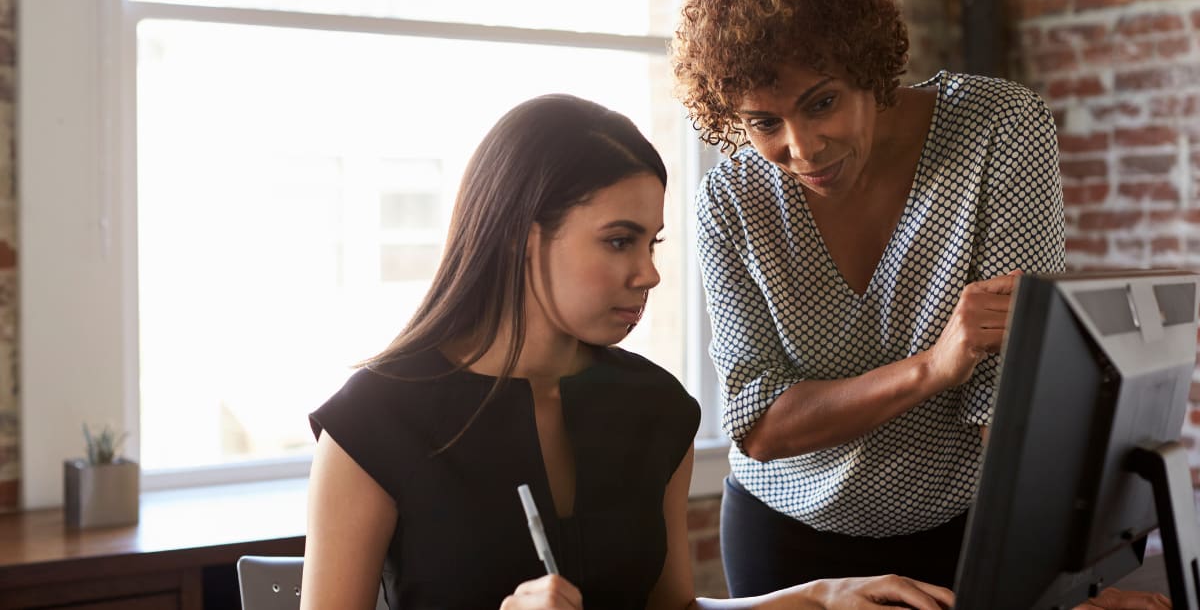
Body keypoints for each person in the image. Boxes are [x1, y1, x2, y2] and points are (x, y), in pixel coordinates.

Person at [300, 93, 957, 609]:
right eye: (619, 240)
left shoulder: (657, 408)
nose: (648, 273)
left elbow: (672, 607)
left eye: (653, 243)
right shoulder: (372, 424)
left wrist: (819, 595)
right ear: (520, 239)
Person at [669, 0, 1073, 596]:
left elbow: (1007, 400)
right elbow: (760, 424)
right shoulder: (730, 198)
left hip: (962, 528)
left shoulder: (998, 129)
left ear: (869, 63)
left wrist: (1059, 579)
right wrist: (933, 367)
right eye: (764, 122)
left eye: (822, 101)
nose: (801, 147)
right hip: (783, 536)